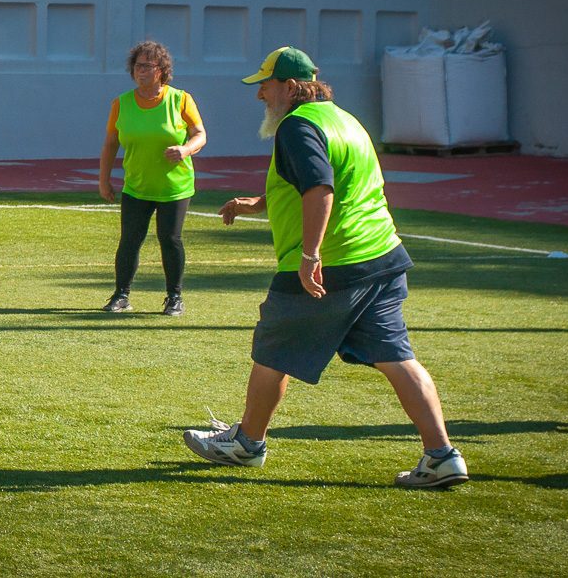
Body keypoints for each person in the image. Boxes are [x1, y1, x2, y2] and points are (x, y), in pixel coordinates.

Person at [182, 46, 468, 488]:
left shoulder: (297, 126)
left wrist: (310, 255)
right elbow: (325, 180)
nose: (260, 94)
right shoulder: (346, 119)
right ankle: (442, 456)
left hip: (334, 264)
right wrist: (258, 203)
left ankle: (246, 444)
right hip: (382, 258)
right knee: (397, 356)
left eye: (266, 84)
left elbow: (320, 187)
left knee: (272, 350)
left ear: (292, 87)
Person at [99, 41, 207, 316]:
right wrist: (104, 179)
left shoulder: (181, 99)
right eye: (137, 66)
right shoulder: (121, 103)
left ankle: (174, 297)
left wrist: (185, 150)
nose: (140, 71)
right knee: (130, 240)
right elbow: (111, 143)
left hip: (174, 187)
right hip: (137, 185)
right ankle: (121, 294)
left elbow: (200, 134)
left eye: (147, 66)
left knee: (170, 239)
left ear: (161, 70)